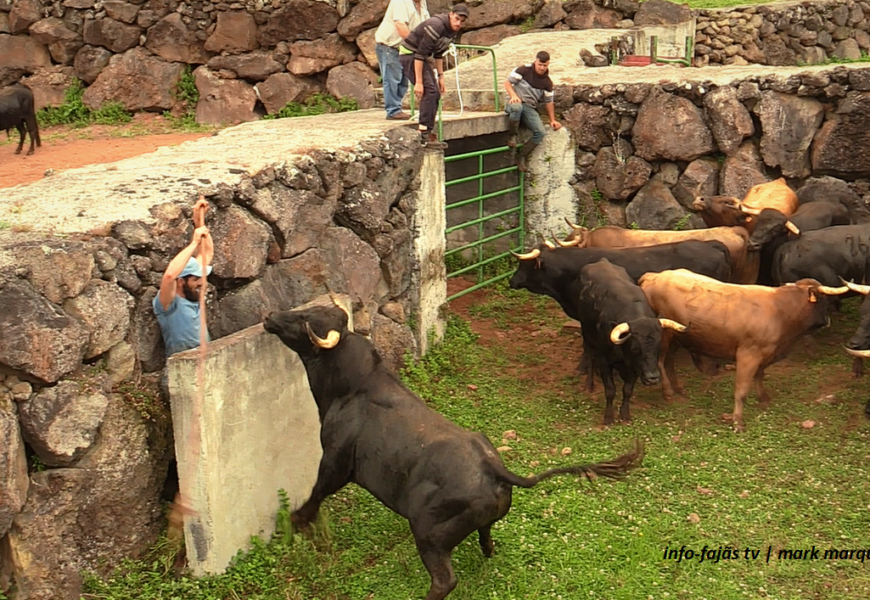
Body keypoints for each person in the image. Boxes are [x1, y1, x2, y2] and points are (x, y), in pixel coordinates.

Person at [399, 3, 469, 150]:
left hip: (421, 58)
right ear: (451, 14)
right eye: (456, 19)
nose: (458, 23)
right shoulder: (436, 25)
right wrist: (418, 82)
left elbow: (438, 53)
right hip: (410, 55)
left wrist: (441, 76)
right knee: (429, 91)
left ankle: (428, 131)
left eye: (462, 21)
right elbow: (419, 55)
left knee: (435, 92)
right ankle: (423, 133)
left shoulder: (452, 30)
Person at [153, 197, 214, 363]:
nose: (202, 283)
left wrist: (198, 221)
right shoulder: (169, 303)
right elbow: (170, 275)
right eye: (196, 280)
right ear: (181, 282)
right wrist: (194, 242)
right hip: (181, 368)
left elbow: (207, 253)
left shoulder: (192, 294)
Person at [504, 51, 562, 172]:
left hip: (529, 107)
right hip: (515, 103)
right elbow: (507, 82)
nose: (542, 68)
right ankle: (512, 136)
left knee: (540, 132)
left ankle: (521, 155)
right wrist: (514, 96)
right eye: (540, 64)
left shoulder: (547, 82)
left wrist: (553, 120)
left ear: (548, 64)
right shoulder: (524, 70)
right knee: (517, 108)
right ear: (536, 61)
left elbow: (549, 102)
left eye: (544, 65)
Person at [375, 0, 429, 121]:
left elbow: (425, 24)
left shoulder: (422, 3)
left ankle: (396, 108)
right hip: (389, 46)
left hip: (404, 47)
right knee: (393, 79)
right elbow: (400, 25)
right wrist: (416, 44)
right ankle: (393, 110)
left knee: (404, 80)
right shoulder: (400, 1)